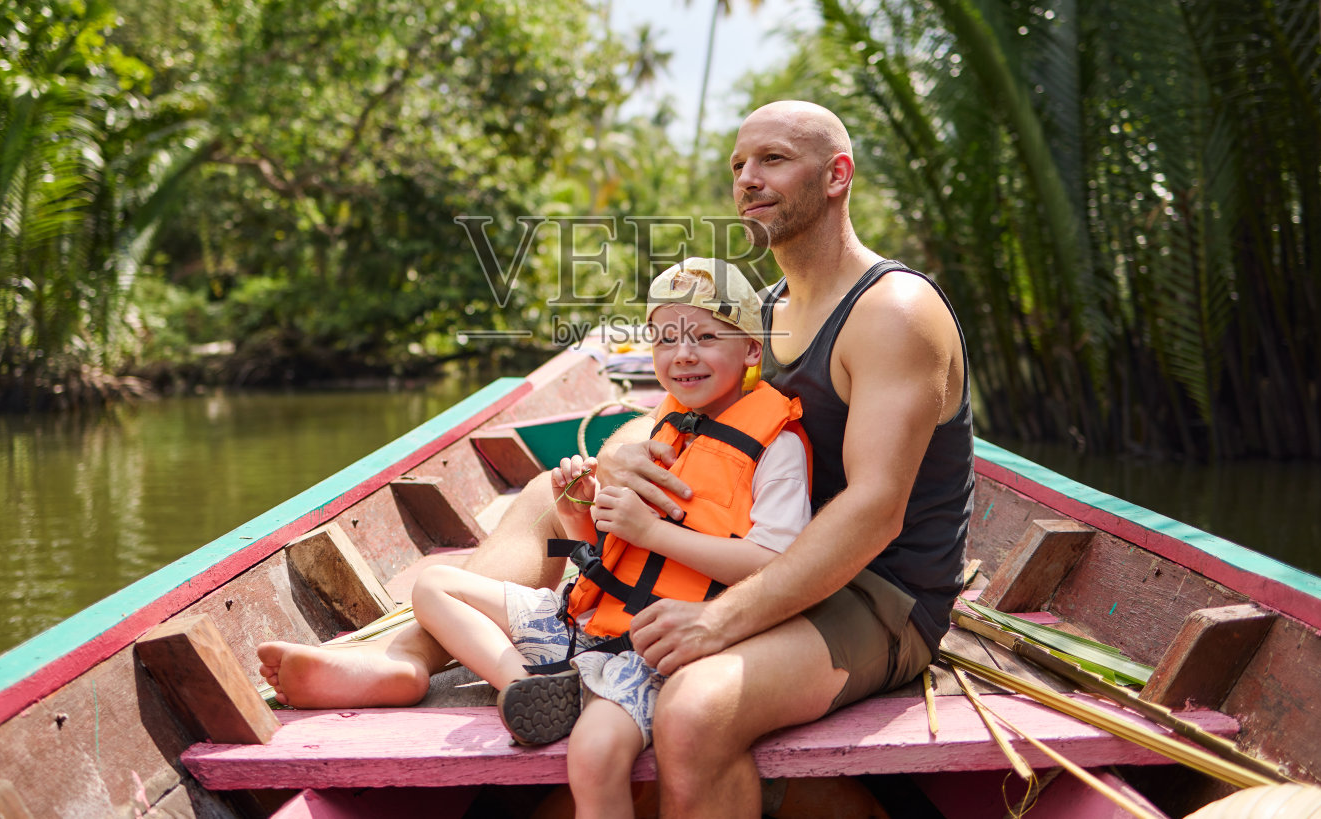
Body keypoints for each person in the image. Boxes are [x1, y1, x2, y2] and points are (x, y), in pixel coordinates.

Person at [257, 101, 971, 819]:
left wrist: (719, 624)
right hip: (767, 543)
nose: (748, 178)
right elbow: (687, 418)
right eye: (738, 165)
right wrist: (622, 459)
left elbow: (875, 511)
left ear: (837, 174)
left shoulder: (892, 312)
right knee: (557, 490)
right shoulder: (770, 307)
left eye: (774, 159)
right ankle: (410, 658)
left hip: (875, 594)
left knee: (693, 707)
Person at [408, 258, 811, 819]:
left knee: (593, 757)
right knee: (434, 586)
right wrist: (578, 512)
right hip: (582, 622)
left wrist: (649, 531)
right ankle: (524, 685)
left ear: (750, 351)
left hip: (647, 648)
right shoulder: (663, 428)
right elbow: (605, 556)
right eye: (665, 339)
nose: (683, 354)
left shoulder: (777, 448)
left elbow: (771, 564)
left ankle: (560, 693)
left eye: (704, 337)